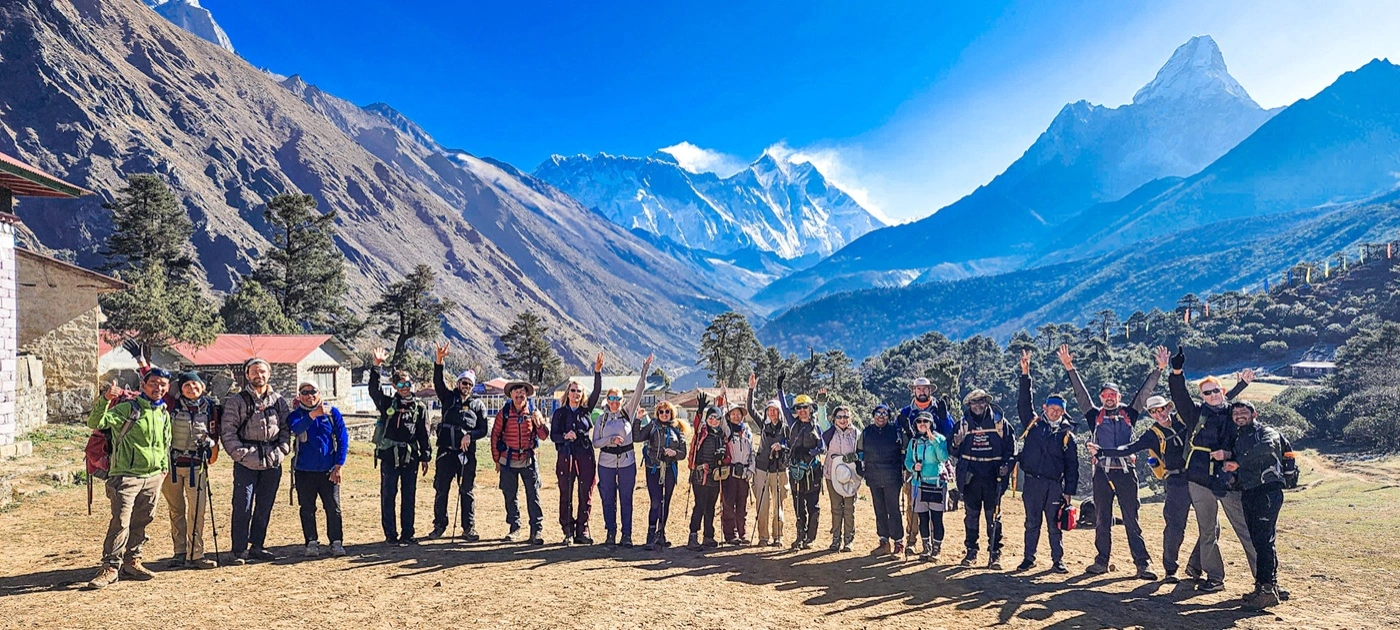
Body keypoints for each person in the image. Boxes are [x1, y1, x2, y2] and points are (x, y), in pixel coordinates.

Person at [1059, 343, 1163, 579]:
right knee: (1101, 519)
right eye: (1105, 395)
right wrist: (1069, 368)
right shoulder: (1094, 415)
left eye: (1113, 395)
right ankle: (1101, 561)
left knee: (1131, 519)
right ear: (1101, 398)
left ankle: (1143, 564)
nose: (1109, 398)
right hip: (1102, 473)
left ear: (1119, 397)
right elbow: (1081, 395)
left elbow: (1144, 393)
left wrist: (1158, 369)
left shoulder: (1129, 413)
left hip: (1126, 472)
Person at [1169, 345, 1258, 593]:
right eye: (1206, 393)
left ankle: (1265, 579)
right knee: (1207, 531)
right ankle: (1215, 578)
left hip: (1229, 479)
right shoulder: (1195, 414)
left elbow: (1235, 411)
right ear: (1202, 396)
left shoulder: (1233, 412)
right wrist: (1177, 372)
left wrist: (1227, 454)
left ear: (1222, 391)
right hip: (1199, 478)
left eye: (1215, 390)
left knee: (1246, 529)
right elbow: (1179, 396)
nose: (1212, 395)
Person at [84, 369, 173, 590]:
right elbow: (96, 421)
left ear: (168, 388)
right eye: (153, 383)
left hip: (152, 477)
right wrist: (106, 399)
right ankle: (110, 567)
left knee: (142, 520)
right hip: (125, 476)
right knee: (121, 522)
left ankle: (132, 561)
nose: (158, 387)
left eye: (162, 384)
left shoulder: (163, 412)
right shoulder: (128, 408)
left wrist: (163, 469)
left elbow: (165, 442)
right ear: (143, 385)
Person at [221, 358, 292, 564]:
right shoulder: (237, 401)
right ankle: (238, 550)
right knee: (242, 505)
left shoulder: (278, 401)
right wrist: (241, 455)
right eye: (254, 372)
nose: (258, 375)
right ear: (247, 375)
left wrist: (281, 451)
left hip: (272, 460)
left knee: (265, 505)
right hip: (246, 461)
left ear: (269, 374)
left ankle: (257, 546)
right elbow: (228, 431)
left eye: (262, 372)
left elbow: (285, 429)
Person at [1014, 350, 1079, 574]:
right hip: (1032, 482)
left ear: (1063, 412)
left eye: (1059, 410)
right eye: (1052, 409)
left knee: (1055, 524)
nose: (1055, 412)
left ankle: (1057, 560)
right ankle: (1028, 558)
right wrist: (1025, 374)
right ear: (1045, 408)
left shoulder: (1067, 436)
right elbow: (1024, 403)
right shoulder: (1033, 425)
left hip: (1054, 485)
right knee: (1031, 522)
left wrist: (1069, 491)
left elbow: (1072, 466)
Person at [1222, 400, 1291, 610]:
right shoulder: (1239, 437)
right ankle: (1264, 586)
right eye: (1235, 413)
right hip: (1249, 492)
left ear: (1254, 414)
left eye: (1244, 412)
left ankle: (1267, 591)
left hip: (1267, 490)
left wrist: (1238, 462)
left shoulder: (1266, 432)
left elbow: (1268, 447)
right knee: (1259, 540)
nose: (1239, 415)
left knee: (1263, 540)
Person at [368, 349, 432, 545]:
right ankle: (390, 535)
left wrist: (425, 457)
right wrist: (376, 366)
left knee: (409, 495)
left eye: (408, 384)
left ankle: (408, 533)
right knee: (388, 495)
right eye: (401, 384)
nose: (405, 388)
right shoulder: (387, 403)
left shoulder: (419, 408)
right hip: (389, 456)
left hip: (410, 457)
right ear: (395, 386)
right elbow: (374, 391)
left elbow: (424, 433)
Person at [429, 344, 489, 541]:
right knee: (441, 490)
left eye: (470, 384)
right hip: (446, 452)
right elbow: (438, 382)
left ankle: (468, 528)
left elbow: (483, 430)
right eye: (464, 382)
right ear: (458, 383)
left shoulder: (478, 405)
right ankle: (439, 526)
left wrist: (470, 435)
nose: (466, 386)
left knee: (467, 491)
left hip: (466, 455)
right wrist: (439, 361)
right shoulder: (448, 398)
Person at [949, 388, 1015, 569]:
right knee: (971, 515)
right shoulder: (962, 424)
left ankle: (995, 554)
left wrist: (1007, 466)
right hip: (971, 477)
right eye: (974, 402)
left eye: (981, 401)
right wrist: (956, 443)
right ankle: (971, 552)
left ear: (987, 402)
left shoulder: (1000, 423)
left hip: (993, 477)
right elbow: (953, 451)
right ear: (969, 405)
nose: (978, 405)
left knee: (993, 516)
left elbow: (1011, 450)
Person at [593, 354, 654, 547]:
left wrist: (644, 369)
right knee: (608, 498)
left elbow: (639, 390)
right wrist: (610, 440)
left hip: (627, 462)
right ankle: (610, 532)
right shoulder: (601, 419)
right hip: (606, 463)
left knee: (626, 498)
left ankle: (626, 535)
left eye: (618, 398)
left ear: (622, 400)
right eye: (611, 398)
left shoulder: (628, 412)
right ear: (607, 400)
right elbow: (595, 443)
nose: (614, 402)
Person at [161, 371, 220, 570]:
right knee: (176, 510)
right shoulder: (172, 404)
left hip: (197, 466)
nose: (191, 388)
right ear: (180, 388)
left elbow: (216, 433)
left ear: (202, 387)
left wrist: (210, 443)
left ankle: (196, 554)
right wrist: (142, 362)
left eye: (195, 384)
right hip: (173, 466)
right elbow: (158, 386)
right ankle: (179, 552)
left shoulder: (211, 408)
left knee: (197, 511)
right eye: (187, 385)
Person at [287, 381, 349, 557]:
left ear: (319, 393)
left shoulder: (332, 413)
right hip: (304, 470)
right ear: (299, 396)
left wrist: (339, 465)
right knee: (307, 508)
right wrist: (313, 414)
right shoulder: (296, 415)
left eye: (313, 391)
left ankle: (336, 542)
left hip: (329, 469)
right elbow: (296, 428)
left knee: (333, 507)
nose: (309, 396)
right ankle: (311, 542)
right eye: (304, 393)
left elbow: (343, 438)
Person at [896, 377, 953, 550]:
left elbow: (950, 432)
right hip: (914, 464)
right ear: (913, 390)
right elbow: (898, 436)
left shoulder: (939, 409)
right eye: (918, 388)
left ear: (930, 390)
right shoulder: (906, 412)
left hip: (935, 466)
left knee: (935, 508)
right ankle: (913, 540)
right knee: (913, 505)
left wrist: (944, 418)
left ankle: (934, 544)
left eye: (925, 388)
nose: (922, 391)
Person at [552, 353, 603, 545]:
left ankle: (583, 529)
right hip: (565, 456)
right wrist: (565, 436)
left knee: (585, 492)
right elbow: (553, 435)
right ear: (568, 393)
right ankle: (568, 531)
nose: (575, 394)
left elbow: (597, 391)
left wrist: (597, 372)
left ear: (582, 395)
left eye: (579, 391)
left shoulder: (585, 411)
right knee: (566, 493)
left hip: (585, 455)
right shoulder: (560, 413)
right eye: (573, 390)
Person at [492, 379, 550, 544]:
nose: (519, 394)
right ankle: (514, 528)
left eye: (522, 391)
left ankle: (536, 531)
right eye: (516, 391)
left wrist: (539, 423)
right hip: (507, 461)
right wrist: (497, 459)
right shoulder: (503, 413)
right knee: (510, 496)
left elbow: (544, 436)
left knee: (533, 496)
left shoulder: (533, 412)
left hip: (528, 460)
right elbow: (495, 435)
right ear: (511, 394)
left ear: (526, 394)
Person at [778, 375, 824, 550]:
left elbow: (823, 447)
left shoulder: (816, 426)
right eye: (799, 408)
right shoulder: (792, 423)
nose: (802, 410)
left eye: (805, 407)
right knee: (798, 505)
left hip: (812, 471)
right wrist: (780, 388)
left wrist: (814, 452)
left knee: (812, 505)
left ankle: (810, 538)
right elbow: (783, 407)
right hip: (796, 470)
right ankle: (800, 536)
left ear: (810, 409)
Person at [638, 401, 687, 550]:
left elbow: (683, 453)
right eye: (661, 411)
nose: (664, 414)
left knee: (666, 502)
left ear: (672, 413)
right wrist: (637, 420)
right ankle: (651, 534)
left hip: (670, 469)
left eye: (667, 411)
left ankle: (661, 533)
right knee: (655, 502)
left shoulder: (677, 428)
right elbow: (637, 437)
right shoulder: (652, 426)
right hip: (654, 468)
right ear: (657, 413)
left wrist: (675, 453)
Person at [859, 404, 906, 556]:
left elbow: (905, 450)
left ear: (888, 416)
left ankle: (898, 543)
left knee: (893, 510)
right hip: (873, 476)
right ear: (873, 415)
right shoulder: (866, 432)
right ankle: (884, 542)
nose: (881, 416)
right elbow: (860, 451)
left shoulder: (896, 431)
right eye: (878, 413)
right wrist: (859, 467)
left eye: (884, 413)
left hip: (892, 476)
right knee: (879, 509)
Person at [905, 412, 951, 562]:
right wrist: (913, 467)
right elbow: (907, 460)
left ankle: (936, 549)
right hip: (918, 483)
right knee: (922, 518)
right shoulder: (913, 442)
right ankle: (926, 547)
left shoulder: (940, 439)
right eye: (919, 421)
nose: (922, 424)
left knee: (937, 519)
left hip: (936, 484)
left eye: (926, 421)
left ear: (931, 423)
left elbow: (943, 458)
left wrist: (934, 442)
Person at [686, 393, 727, 550]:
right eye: (710, 417)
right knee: (700, 505)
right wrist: (700, 411)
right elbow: (697, 424)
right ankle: (693, 536)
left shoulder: (721, 435)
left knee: (711, 506)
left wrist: (722, 456)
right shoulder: (701, 431)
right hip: (700, 475)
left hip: (715, 476)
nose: (713, 420)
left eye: (716, 418)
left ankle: (708, 536)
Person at [719, 377, 756, 545]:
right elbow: (720, 416)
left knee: (742, 505)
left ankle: (742, 533)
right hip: (730, 473)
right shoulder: (727, 430)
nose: (736, 416)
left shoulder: (747, 432)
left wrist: (750, 470)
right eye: (733, 414)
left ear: (742, 416)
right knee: (728, 505)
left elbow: (752, 452)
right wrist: (722, 395)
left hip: (744, 474)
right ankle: (730, 535)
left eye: (738, 414)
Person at [821, 398, 861, 552]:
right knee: (836, 508)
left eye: (846, 416)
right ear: (834, 418)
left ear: (850, 418)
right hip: (832, 475)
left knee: (849, 508)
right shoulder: (830, 432)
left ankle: (849, 540)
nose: (843, 420)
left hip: (851, 476)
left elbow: (863, 452)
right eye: (839, 417)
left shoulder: (856, 433)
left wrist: (855, 457)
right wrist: (821, 405)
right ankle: (836, 539)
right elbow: (821, 419)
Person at [752, 391, 789, 548]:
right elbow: (750, 409)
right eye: (769, 410)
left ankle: (778, 536)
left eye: (775, 410)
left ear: (780, 412)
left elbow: (791, 446)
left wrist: (782, 447)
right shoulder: (763, 425)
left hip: (780, 469)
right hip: (762, 468)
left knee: (778, 505)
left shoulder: (786, 429)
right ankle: (763, 537)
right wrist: (751, 389)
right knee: (762, 504)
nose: (772, 413)